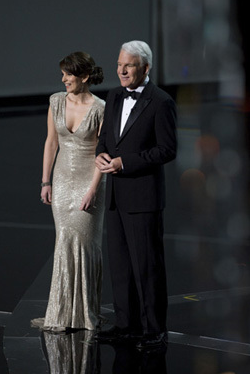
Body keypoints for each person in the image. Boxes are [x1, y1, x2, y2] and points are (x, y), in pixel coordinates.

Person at [95, 40, 177, 350]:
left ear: (145, 67)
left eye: (128, 65)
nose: (121, 70)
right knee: (121, 267)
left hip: (143, 198)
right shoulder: (114, 96)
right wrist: (100, 155)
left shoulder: (161, 102)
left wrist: (125, 162)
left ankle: (154, 330)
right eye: (119, 64)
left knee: (147, 268)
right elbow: (105, 138)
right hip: (116, 196)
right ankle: (125, 325)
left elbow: (167, 150)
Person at [31, 51, 105, 333]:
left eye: (68, 75)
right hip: (61, 181)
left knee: (85, 244)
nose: (63, 80)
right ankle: (62, 312)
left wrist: (93, 190)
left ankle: (84, 313)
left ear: (84, 77)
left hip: (89, 180)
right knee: (64, 240)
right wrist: (45, 181)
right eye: (62, 75)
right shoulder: (56, 102)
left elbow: (103, 151)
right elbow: (51, 143)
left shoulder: (100, 108)